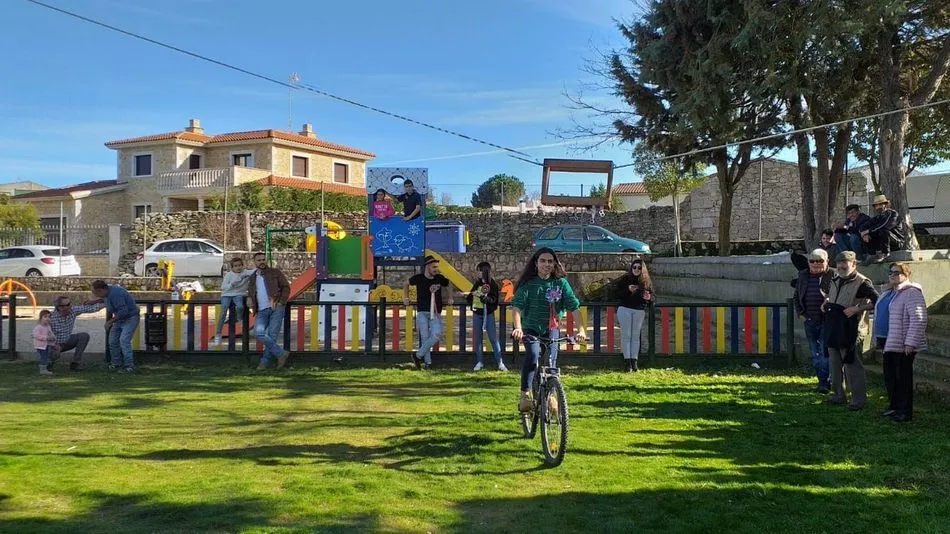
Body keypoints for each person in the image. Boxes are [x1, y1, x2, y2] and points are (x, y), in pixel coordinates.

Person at [511, 247, 587, 412]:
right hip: (530, 327)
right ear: (536, 263)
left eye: (550, 261)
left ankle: (551, 395)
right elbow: (516, 307)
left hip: (552, 328)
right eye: (543, 261)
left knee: (551, 361)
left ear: (555, 264)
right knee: (532, 356)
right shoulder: (528, 284)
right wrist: (518, 328)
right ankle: (525, 394)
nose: (546, 264)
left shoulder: (561, 283)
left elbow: (574, 308)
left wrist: (581, 330)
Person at [822, 252, 879, 410]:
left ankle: (858, 400)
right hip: (834, 326)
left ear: (854, 264)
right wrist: (826, 302)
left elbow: (877, 301)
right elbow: (829, 295)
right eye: (839, 263)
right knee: (834, 364)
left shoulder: (863, 282)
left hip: (852, 329)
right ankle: (838, 395)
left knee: (852, 365)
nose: (840, 266)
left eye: (844, 263)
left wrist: (857, 308)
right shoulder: (835, 278)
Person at [881, 262, 927, 423]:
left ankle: (905, 411)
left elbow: (918, 319)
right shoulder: (893, 293)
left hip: (904, 345)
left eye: (896, 272)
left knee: (903, 379)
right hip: (891, 342)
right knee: (891, 377)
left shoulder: (912, 293)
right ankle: (894, 406)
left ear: (906, 275)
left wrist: (910, 343)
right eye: (890, 272)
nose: (892, 275)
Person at [793, 248, 834, 393]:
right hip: (809, 320)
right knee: (815, 354)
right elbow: (797, 296)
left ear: (827, 261)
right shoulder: (803, 275)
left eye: (820, 261)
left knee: (824, 354)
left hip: (827, 320)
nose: (816, 264)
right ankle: (821, 380)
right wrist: (801, 314)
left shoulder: (833, 275)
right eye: (812, 261)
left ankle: (826, 382)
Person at [403, 255, 450, 370]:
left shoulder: (439, 278)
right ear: (427, 267)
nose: (436, 269)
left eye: (436, 267)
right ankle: (428, 363)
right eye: (434, 267)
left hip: (435, 312)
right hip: (422, 312)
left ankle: (417, 355)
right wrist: (406, 297)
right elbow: (406, 283)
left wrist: (450, 297)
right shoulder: (418, 278)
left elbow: (449, 284)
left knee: (436, 335)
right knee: (425, 338)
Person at [247, 252, 291, 370]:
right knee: (258, 332)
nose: (262, 262)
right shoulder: (253, 277)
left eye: (263, 259)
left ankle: (264, 363)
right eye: (259, 260)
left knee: (272, 335)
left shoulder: (275, 272)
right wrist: (249, 300)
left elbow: (286, 287)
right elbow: (251, 292)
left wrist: (281, 302)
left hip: (276, 307)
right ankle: (281, 353)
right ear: (254, 262)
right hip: (261, 309)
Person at [611, 258, 654, 372]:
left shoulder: (646, 282)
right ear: (631, 268)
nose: (636, 269)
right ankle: (627, 362)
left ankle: (634, 362)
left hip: (639, 310)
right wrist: (628, 290)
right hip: (625, 308)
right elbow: (616, 294)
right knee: (626, 335)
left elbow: (651, 296)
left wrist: (648, 298)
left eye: (639, 268)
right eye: (634, 267)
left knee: (635, 336)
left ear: (642, 269)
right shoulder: (625, 279)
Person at [466, 261, 507, 372]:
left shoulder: (492, 284)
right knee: (478, 339)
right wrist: (473, 296)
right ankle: (479, 362)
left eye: (479, 271)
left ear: (484, 271)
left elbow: (494, 300)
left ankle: (500, 362)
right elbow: (470, 297)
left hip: (488, 315)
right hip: (477, 314)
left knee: (493, 338)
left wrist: (487, 299)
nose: (477, 274)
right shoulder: (477, 283)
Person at [92, 280, 140, 373]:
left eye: (95, 292)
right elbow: (106, 299)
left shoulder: (116, 294)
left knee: (124, 341)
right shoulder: (107, 292)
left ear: (100, 290)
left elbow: (123, 311)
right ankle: (116, 363)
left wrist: (110, 322)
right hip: (119, 319)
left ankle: (129, 366)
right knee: (113, 341)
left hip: (130, 317)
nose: (94, 294)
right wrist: (94, 302)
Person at [49, 295, 105, 371]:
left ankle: (75, 363)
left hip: (66, 341)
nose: (70, 306)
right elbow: (41, 335)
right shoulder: (50, 317)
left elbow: (91, 308)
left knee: (83, 336)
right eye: (67, 305)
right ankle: (48, 363)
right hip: (53, 344)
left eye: (69, 304)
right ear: (59, 307)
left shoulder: (73, 310)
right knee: (54, 353)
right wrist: (54, 344)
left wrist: (107, 302)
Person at [214, 257, 255, 346]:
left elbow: (255, 271)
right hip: (227, 294)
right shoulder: (229, 275)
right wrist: (232, 284)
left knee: (240, 306)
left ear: (242, 266)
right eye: (236, 266)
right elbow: (223, 287)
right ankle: (218, 334)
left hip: (239, 294)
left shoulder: (245, 272)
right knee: (223, 312)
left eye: (240, 265)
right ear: (232, 268)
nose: (238, 267)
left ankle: (240, 319)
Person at [861, 194, 904, 261]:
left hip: (895, 241)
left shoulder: (893, 214)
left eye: (880, 204)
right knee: (866, 234)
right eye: (876, 205)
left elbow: (885, 226)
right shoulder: (877, 217)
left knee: (883, 231)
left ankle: (886, 253)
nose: (878, 207)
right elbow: (863, 226)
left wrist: (868, 231)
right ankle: (872, 255)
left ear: (886, 204)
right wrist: (865, 234)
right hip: (882, 242)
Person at [33, 310, 56, 376]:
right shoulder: (38, 327)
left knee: (47, 355)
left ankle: (46, 367)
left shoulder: (48, 326)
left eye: (49, 317)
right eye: (45, 317)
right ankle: (43, 369)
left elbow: (50, 333)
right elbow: (36, 335)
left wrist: (53, 337)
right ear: (41, 318)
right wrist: (45, 338)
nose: (47, 319)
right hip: (40, 345)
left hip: (47, 344)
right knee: (44, 356)